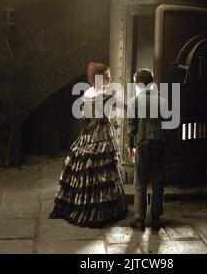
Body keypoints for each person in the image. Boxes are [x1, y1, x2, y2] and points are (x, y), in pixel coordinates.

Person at [48, 62, 127, 228]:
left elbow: (82, 118)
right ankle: (101, 211)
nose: (109, 78)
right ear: (101, 78)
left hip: (88, 134)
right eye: (107, 76)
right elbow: (125, 108)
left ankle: (83, 205)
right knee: (103, 171)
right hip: (103, 134)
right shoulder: (107, 96)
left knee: (87, 171)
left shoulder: (87, 94)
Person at [127, 68, 167, 231]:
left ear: (137, 84)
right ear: (151, 83)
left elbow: (132, 128)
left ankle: (139, 219)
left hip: (142, 143)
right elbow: (167, 124)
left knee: (140, 182)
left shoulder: (133, 102)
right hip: (159, 142)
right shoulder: (162, 101)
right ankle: (156, 218)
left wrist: (130, 147)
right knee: (157, 181)